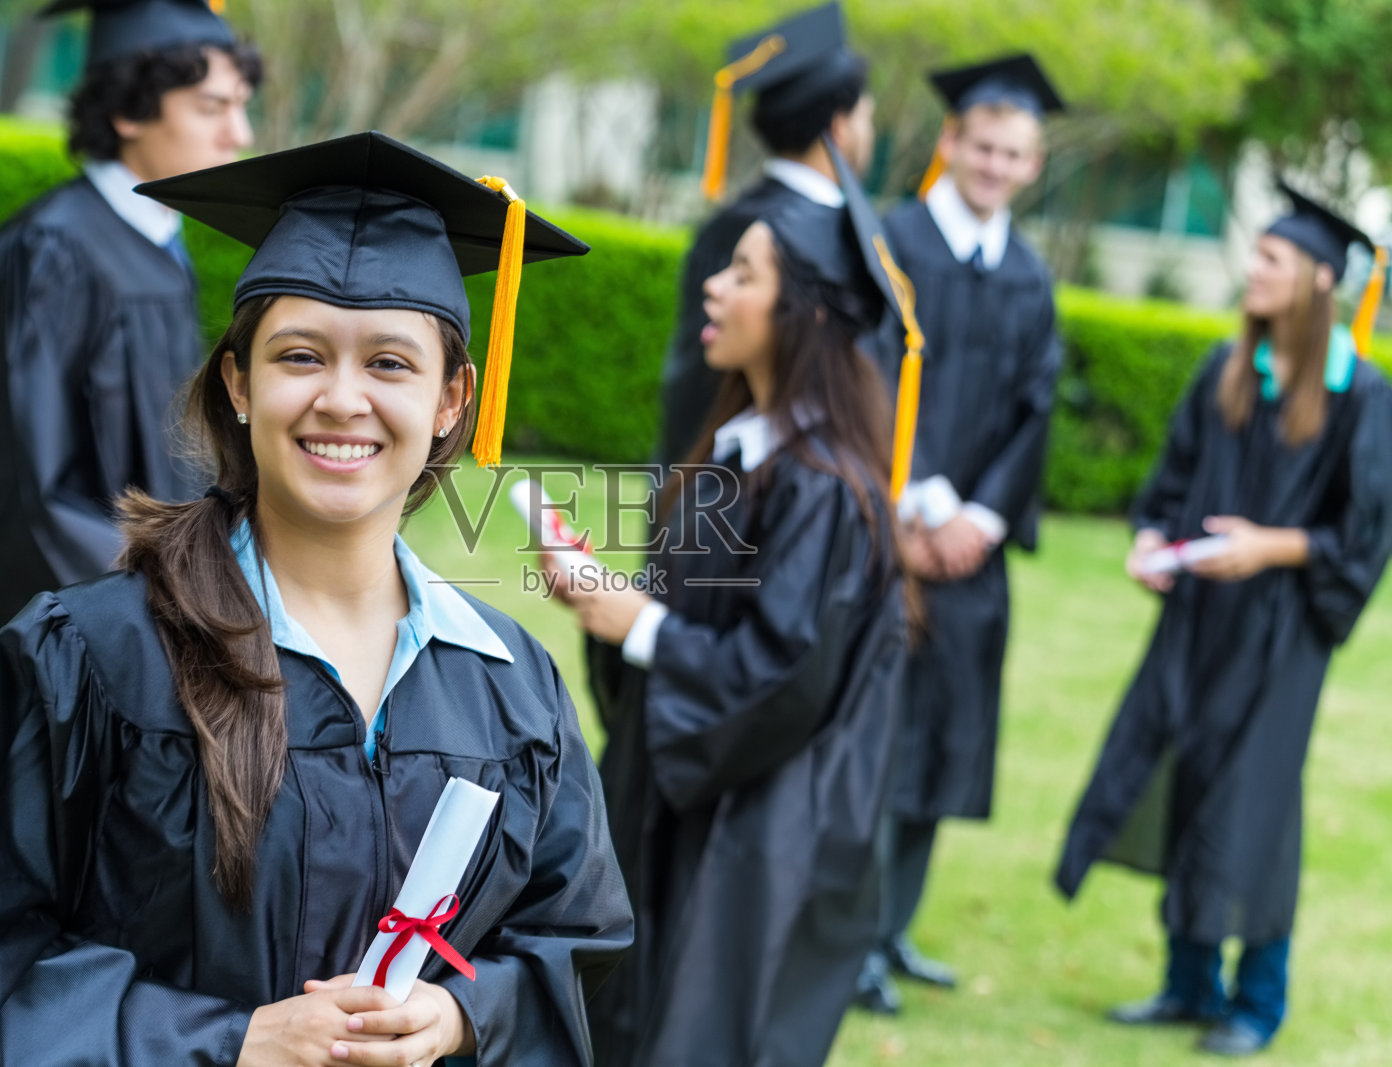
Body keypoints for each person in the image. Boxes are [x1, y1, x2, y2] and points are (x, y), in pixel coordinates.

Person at [0, 131, 633, 1065]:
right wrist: (232, 1040)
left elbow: (574, 936)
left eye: (391, 364)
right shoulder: (90, 657)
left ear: (454, 401)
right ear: (239, 382)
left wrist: (458, 1017)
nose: (342, 398)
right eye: (300, 355)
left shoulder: (512, 687)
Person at [0, 4, 261, 1063]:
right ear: (131, 112)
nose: (236, 132)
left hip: (132, 640)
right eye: (212, 105)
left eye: (240, 107)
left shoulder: (155, 251)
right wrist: (173, 611)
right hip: (38, 649)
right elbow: (17, 500)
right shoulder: (46, 252)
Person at [554, 135, 910, 1062]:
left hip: (751, 831)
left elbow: (783, 673)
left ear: (803, 311)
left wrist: (643, 626)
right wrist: (612, 606)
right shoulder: (738, 453)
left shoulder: (824, 487)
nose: (712, 286)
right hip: (680, 800)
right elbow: (690, 625)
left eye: (743, 273)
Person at [1055, 182, 1392, 1057]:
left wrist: (1271, 547)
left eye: (1274, 259)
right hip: (1200, 621)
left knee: (1257, 804)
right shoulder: (1228, 370)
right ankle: (1187, 983)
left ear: (1321, 278)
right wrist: (1147, 543)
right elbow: (1166, 486)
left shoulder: (1362, 393)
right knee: (1189, 779)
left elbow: (1363, 535)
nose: (1256, 269)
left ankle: (1257, 999)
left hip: (1282, 635)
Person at [855, 53, 1065, 1015]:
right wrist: (920, 501)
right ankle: (848, 937)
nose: (994, 163)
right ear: (951, 142)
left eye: (1013, 152)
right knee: (878, 738)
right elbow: (869, 377)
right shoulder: (891, 244)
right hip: (889, 536)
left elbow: (1034, 406)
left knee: (943, 741)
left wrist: (980, 515)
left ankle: (895, 930)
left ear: (1033, 162)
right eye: (981, 144)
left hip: (971, 552)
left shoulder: (1029, 275)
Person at [653, 0, 881, 470]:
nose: (869, 132)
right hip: (745, 492)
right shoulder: (791, 231)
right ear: (840, 127)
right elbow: (706, 381)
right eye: (867, 118)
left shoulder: (736, 218)